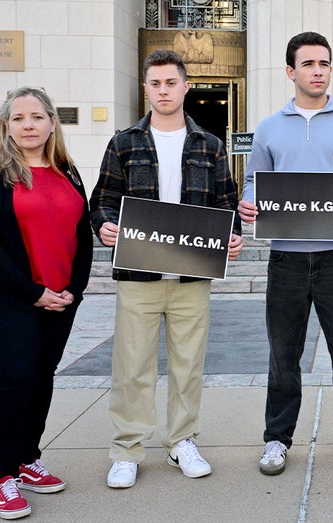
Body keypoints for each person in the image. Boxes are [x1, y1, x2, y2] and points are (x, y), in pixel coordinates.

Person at [90, 49, 244, 489]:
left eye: (171, 83)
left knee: (188, 365)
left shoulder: (210, 145)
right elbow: (102, 201)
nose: (163, 91)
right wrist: (104, 225)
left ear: (185, 87)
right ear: (146, 89)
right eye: (155, 84)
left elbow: (227, 204)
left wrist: (232, 235)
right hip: (139, 274)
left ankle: (181, 441)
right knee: (132, 366)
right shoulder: (124, 143)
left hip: (191, 277)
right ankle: (127, 449)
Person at [237, 31, 333, 475]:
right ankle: (277, 438)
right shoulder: (269, 127)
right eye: (308, 64)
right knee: (283, 355)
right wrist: (249, 202)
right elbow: (253, 181)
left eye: (324, 63)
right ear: (291, 71)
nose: (318, 71)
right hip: (285, 257)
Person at [0, 86, 93, 519]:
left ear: (52, 123)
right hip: (7, 298)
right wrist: (32, 292)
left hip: (59, 298)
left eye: (36, 117)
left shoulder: (67, 170)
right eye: (18, 118)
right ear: (6, 126)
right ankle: (1, 476)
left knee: (41, 378)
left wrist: (74, 289)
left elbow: (81, 235)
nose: (28, 125)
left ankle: (26, 459)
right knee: (14, 380)